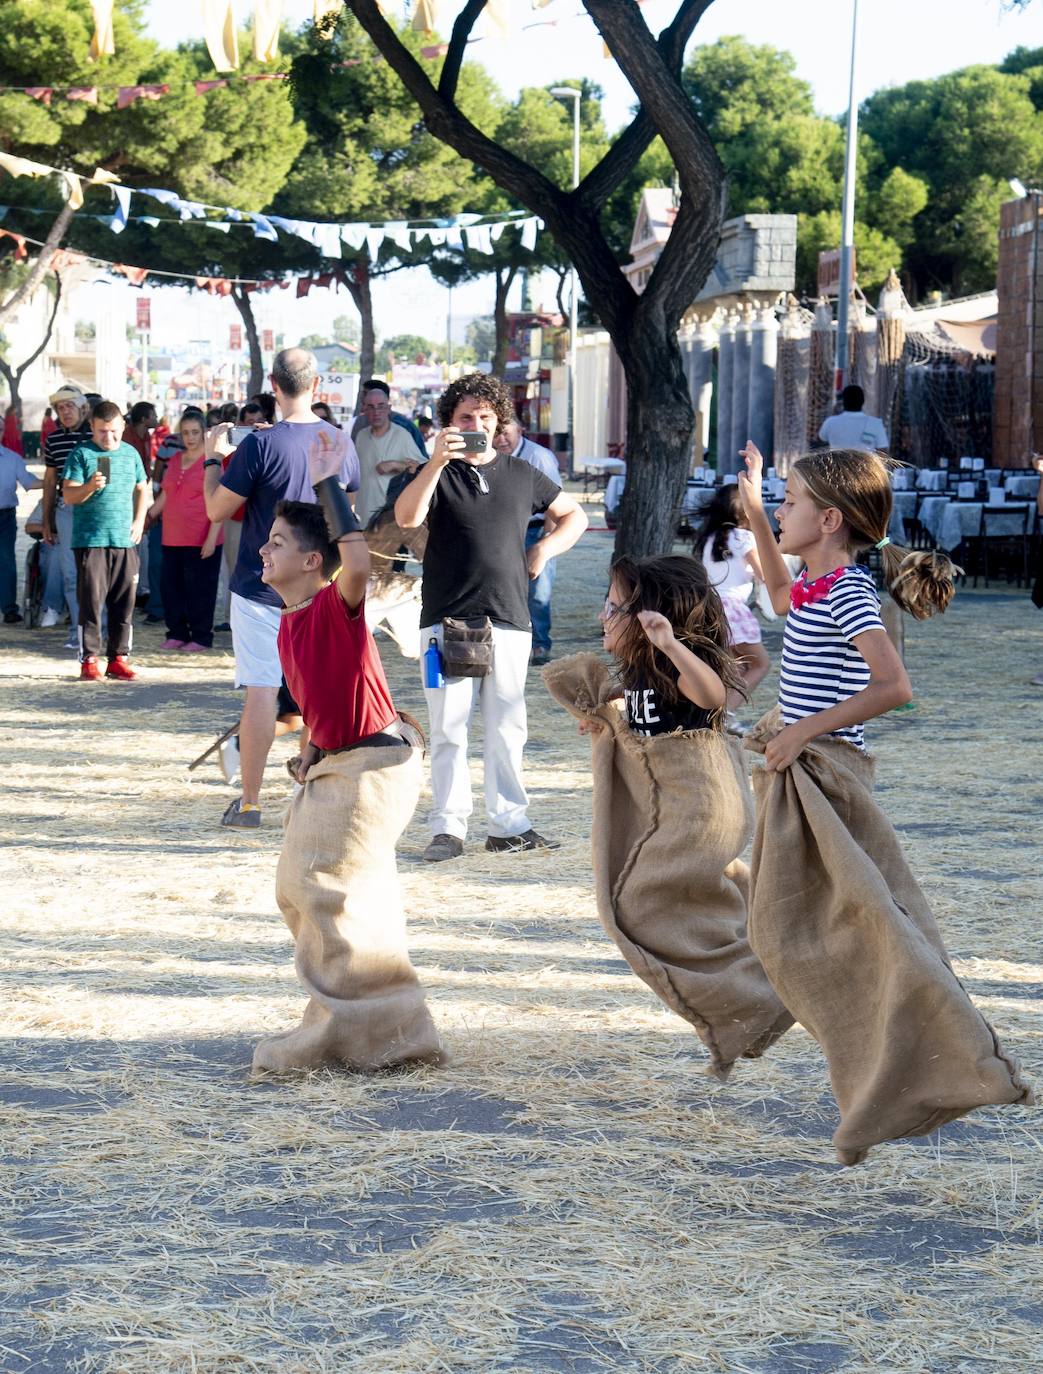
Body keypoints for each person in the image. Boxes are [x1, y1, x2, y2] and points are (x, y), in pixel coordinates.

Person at [736, 441, 1031, 1164]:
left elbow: (893, 687)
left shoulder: (848, 593)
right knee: (798, 928)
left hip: (828, 777)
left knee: (868, 924)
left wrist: (802, 729)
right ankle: (871, 1056)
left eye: (791, 503)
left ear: (829, 520)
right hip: (799, 773)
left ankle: (951, 1059)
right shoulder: (815, 585)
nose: (782, 511)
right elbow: (780, 598)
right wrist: (755, 514)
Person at [543, 555, 790, 1079]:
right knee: (684, 903)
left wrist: (672, 645)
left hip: (699, 809)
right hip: (689, 812)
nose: (603, 615)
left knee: (636, 904)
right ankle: (766, 973)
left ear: (649, 618)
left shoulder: (679, 662)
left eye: (614, 607)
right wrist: (608, 717)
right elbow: (644, 715)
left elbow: (713, 696)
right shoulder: (641, 671)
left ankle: (761, 997)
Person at [249, 454, 442, 1075]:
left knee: (323, 891)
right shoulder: (290, 621)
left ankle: (355, 1032)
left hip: (375, 765)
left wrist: (329, 484)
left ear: (313, 561)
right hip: (343, 759)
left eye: (277, 542)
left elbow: (357, 563)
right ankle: (381, 1028)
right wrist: (311, 747)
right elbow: (320, 696)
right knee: (308, 888)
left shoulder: (336, 603)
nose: (263, 550)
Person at [395, 372, 587, 862]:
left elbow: (575, 516)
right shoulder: (435, 473)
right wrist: (436, 461)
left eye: (484, 416)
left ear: (499, 421)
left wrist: (544, 549)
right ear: (448, 422)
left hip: (509, 617)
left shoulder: (523, 473)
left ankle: (509, 826)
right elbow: (407, 518)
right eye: (465, 417)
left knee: (507, 728)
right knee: (448, 730)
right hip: (446, 620)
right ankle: (448, 828)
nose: (476, 425)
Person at [203, 346, 359, 830]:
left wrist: (212, 459)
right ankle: (307, 801)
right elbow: (348, 515)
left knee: (261, 693)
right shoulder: (339, 441)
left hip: (261, 585)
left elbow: (216, 510)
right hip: (317, 584)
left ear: (273, 385)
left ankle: (250, 803)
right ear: (317, 385)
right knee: (314, 698)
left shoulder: (259, 445)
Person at [61, 400, 148, 681]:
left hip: (124, 540)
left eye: (113, 431)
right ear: (91, 427)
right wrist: (89, 487)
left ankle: (118, 658)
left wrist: (139, 521)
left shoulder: (131, 453)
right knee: (91, 603)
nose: (108, 437)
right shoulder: (81, 453)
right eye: (101, 431)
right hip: (91, 540)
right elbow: (68, 495)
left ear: (123, 426)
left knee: (124, 603)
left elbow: (142, 488)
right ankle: (89, 659)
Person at [147, 410, 223, 651]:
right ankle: (177, 632)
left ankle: (201, 636)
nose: (190, 437)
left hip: (201, 536)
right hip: (172, 536)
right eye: (186, 432)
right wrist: (147, 516)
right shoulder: (175, 459)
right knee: (171, 588)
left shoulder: (212, 462)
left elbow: (221, 502)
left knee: (200, 590)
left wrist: (211, 539)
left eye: (195, 432)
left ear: (204, 433)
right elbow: (166, 494)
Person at [697, 484, 771, 732]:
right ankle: (726, 714)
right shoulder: (743, 538)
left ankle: (721, 715)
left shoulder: (708, 540)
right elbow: (765, 573)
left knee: (735, 668)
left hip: (711, 608)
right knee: (760, 664)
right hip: (734, 609)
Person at [493, 417, 561, 667]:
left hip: (536, 529)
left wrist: (547, 540)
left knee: (538, 592)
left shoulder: (539, 457)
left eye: (507, 433)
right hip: (503, 529)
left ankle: (540, 643)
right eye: (497, 434)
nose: (502, 439)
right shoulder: (489, 455)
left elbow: (556, 502)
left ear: (520, 431)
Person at [40, 383, 91, 645]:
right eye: (60, 408)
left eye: (70, 405)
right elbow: (50, 482)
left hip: (94, 509)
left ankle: (99, 631)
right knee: (71, 575)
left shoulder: (98, 433)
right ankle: (78, 633)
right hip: (66, 510)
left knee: (96, 573)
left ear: (82, 407)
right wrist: (46, 520)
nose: (65, 412)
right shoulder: (53, 440)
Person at [354, 386, 424, 525]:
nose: (376, 412)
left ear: (389, 408)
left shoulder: (402, 435)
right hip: (363, 515)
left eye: (381, 406)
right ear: (364, 410)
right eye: (371, 407)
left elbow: (423, 469)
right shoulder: (361, 436)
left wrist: (395, 465)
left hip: (389, 519)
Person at [0, 439, 42, 623]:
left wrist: (55, 480)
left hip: (5, 517)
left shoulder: (12, 458)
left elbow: (29, 482)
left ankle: (9, 609)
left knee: (6, 561)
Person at [123, 402, 157, 605]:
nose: (156, 418)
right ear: (144, 419)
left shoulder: (146, 437)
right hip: (126, 492)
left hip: (139, 491)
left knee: (140, 537)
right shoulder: (127, 436)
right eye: (153, 415)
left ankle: (141, 588)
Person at [351, 379, 426, 458]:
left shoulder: (404, 428)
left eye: (366, 393)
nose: (362, 397)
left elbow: (422, 461)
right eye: (370, 407)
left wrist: (397, 464)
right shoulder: (360, 429)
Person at [818, 385, 889, 454]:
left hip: (837, 462)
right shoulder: (874, 423)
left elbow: (821, 442)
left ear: (843, 401)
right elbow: (883, 452)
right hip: (866, 462)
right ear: (863, 401)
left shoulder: (830, 422)